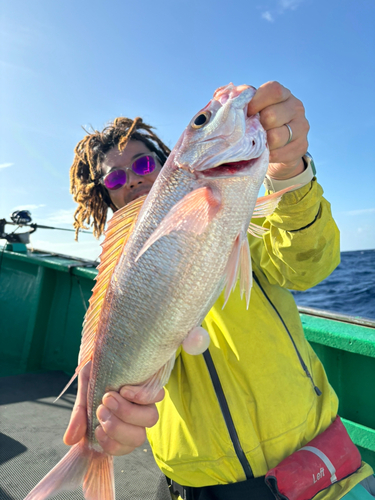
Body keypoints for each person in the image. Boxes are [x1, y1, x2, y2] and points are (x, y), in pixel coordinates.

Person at [66, 82, 374, 499]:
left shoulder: (241, 218)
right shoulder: (119, 281)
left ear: (166, 163)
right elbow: (117, 361)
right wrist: (111, 419)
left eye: (142, 165)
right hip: (195, 487)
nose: (133, 180)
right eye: (116, 177)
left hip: (317, 471)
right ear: (106, 193)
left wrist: (290, 170)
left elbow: (308, 266)